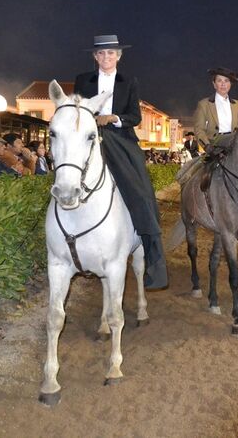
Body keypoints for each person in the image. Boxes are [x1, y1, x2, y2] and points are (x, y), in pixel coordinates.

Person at [74, 34, 167, 290]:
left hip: (121, 139)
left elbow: (135, 117)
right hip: (90, 136)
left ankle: (150, 247)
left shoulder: (129, 81)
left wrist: (113, 118)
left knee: (142, 190)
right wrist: (93, 120)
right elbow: (76, 111)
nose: (106, 58)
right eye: (101, 54)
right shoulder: (83, 80)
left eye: (111, 53)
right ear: (95, 56)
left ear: (119, 56)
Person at [193, 67, 238, 157]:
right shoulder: (204, 104)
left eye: (226, 81)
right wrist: (207, 146)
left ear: (230, 84)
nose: (223, 84)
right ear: (214, 84)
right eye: (219, 81)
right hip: (214, 146)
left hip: (234, 146)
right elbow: (199, 129)